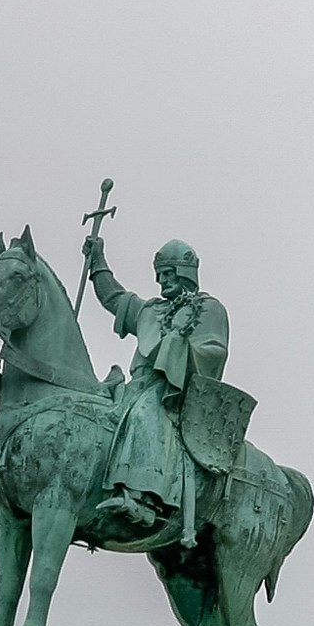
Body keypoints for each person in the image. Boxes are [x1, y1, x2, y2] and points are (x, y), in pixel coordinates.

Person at [85, 233, 238, 545]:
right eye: (159, 276)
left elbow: (215, 350)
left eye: (168, 275)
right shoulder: (151, 310)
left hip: (174, 391)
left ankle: (143, 500)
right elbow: (114, 299)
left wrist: (178, 348)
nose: (162, 282)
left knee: (146, 412)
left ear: (185, 274)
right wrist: (97, 261)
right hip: (137, 384)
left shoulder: (208, 308)